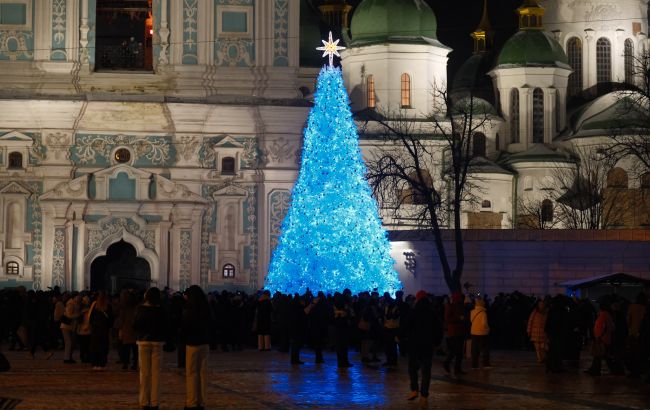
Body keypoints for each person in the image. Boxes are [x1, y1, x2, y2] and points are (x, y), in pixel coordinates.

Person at [134, 287, 168, 410]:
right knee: (156, 373)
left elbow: (135, 325)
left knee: (144, 373)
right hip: (157, 343)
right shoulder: (162, 310)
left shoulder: (140, 309)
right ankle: (155, 402)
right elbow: (166, 326)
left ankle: (144, 402)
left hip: (143, 342)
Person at [405, 290, 442, 406]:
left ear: (418, 299)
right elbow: (438, 329)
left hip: (415, 346)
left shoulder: (413, 312)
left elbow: (407, 327)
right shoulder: (432, 312)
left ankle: (414, 390)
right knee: (426, 371)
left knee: (412, 369)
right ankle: (424, 395)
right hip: (427, 346)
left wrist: (402, 338)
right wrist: (437, 342)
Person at [181, 285, 212, 410]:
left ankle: (192, 402)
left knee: (192, 373)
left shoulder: (189, 310)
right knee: (202, 373)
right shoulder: (206, 309)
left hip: (192, 344)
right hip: (204, 344)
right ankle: (201, 401)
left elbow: (185, 327)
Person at [585, 302, 616, 376]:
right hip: (606, 338)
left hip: (601, 338)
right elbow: (612, 327)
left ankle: (596, 370)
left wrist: (598, 336)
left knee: (599, 355)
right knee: (600, 355)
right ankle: (595, 369)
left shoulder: (602, 315)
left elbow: (601, 327)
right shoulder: (608, 315)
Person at [443, 291, 467, 376]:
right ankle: (447, 363)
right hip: (453, 332)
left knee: (459, 352)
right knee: (456, 351)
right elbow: (447, 319)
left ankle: (457, 369)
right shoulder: (450, 306)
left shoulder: (460, 306)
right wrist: (458, 318)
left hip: (460, 331)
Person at [470, 298, 491, 369]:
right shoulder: (483, 313)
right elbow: (484, 323)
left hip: (474, 332)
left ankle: (474, 365)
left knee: (475, 349)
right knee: (485, 349)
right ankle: (486, 364)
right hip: (482, 333)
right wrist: (488, 329)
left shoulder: (472, 312)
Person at [61, 292, 81, 364]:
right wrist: (78, 315)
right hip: (66, 325)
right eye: (78, 296)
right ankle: (67, 358)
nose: (79, 298)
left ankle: (69, 357)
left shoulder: (75, 303)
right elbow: (69, 315)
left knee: (71, 342)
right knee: (68, 342)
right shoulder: (71, 303)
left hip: (71, 326)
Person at [527, 299, 548, 364]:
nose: (541, 306)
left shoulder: (546, 312)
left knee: (542, 347)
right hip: (536, 332)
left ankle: (542, 358)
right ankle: (540, 359)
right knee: (538, 348)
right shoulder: (535, 312)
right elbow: (530, 322)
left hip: (542, 333)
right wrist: (529, 331)